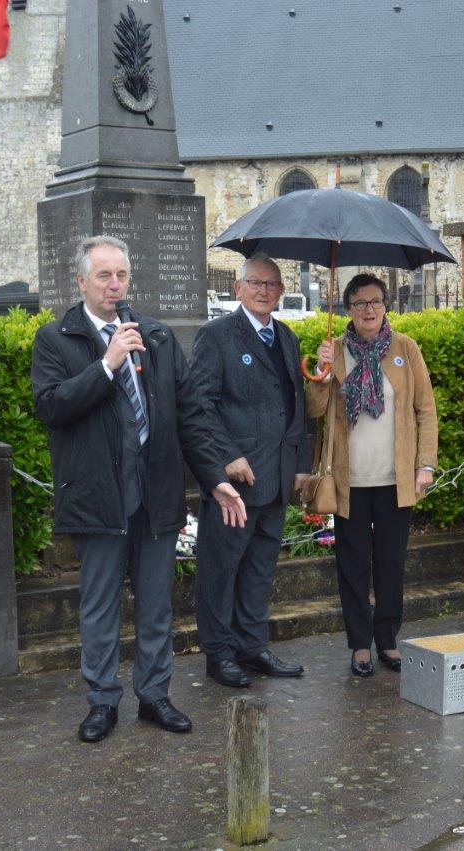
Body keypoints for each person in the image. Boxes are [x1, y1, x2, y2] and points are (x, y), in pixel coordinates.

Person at [32, 235, 247, 743]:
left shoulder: (157, 336)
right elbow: (52, 407)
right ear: (81, 281)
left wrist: (215, 478)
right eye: (103, 276)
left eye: (121, 275)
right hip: (97, 496)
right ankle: (103, 701)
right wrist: (106, 364)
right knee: (101, 604)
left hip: (156, 493)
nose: (114, 285)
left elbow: (190, 417)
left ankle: (154, 695)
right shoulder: (55, 339)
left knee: (156, 604)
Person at [309, 274, 438, 677]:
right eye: (361, 303)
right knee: (352, 564)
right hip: (349, 480)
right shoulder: (336, 351)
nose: (369, 310)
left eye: (376, 302)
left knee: (390, 562)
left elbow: (425, 410)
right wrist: (320, 368)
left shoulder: (405, 349)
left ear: (386, 306)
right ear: (348, 309)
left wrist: (425, 464)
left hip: (393, 478)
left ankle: (387, 639)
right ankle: (360, 644)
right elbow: (314, 410)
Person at [192, 253, 310, 688]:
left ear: (280, 292)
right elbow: (200, 405)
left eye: (272, 285)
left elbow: (295, 405)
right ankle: (219, 653)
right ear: (238, 288)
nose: (264, 291)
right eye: (256, 283)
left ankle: (252, 646)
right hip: (234, 484)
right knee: (222, 568)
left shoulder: (287, 338)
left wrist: (299, 464)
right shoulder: (216, 336)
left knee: (260, 568)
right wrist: (227, 457)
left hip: (276, 479)